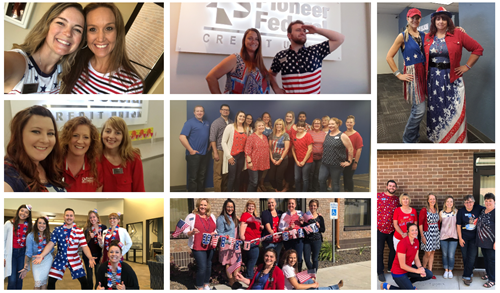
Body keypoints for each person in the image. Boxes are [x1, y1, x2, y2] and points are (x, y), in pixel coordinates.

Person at [424, 7, 483, 143]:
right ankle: (437, 138)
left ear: (448, 21)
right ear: (434, 21)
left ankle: (455, 141)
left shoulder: (458, 34)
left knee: (453, 110)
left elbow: (477, 49)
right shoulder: (427, 37)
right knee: (436, 109)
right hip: (433, 80)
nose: (441, 22)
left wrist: (467, 66)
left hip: (452, 79)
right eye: (438, 19)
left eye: (444, 18)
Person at [62, 3, 143, 94]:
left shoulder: (132, 84)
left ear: (118, 32)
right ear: (85, 34)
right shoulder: (74, 63)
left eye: (108, 28)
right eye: (92, 29)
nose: (101, 38)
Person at [4, 3, 85, 94]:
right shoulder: (19, 62)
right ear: (46, 25)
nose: (68, 33)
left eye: (77, 29)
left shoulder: (62, 71)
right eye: (61, 23)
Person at [269, 21, 344, 94]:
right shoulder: (281, 56)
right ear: (289, 35)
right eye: (298, 30)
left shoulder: (315, 51)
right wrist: (276, 88)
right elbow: (271, 74)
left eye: (304, 31)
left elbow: (340, 39)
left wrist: (316, 30)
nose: (302, 33)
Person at [385, 8, 426, 143]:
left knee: (417, 109)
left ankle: (415, 138)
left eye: (417, 18)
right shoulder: (402, 36)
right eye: (412, 17)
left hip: (425, 74)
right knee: (419, 110)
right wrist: (398, 74)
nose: (415, 20)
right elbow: (389, 57)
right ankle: (408, 139)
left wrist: (458, 29)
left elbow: (442, 34)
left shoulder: (424, 35)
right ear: (407, 19)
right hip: (412, 75)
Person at [4, 106, 66, 192]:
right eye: (36, 131)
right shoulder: (8, 174)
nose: (45, 140)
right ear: (19, 135)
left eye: (50, 133)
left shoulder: (49, 167)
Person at [33, 208, 95, 289]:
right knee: (51, 281)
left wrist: (90, 257)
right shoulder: (57, 230)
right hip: (60, 258)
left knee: (84, 281)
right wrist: (41, 255)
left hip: (74, 259)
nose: (69, 217)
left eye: (71, 215)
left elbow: (84, 246)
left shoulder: (79, 231)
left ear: (74, 217)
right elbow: (50, 244)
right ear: (64, 216)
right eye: (67, 215)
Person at [206, 28, 269, 94]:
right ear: (244, 40)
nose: (253, 42)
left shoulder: (259, 63)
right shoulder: (235, 59)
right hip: (236, 104)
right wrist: (220, 101)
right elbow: (210, 77)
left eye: (256, 39)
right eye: (250, 38)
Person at [381, 223, 433, 290]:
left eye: (416, 230)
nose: (415, 232)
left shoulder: (416, 241)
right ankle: (387, 286)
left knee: (429, 274)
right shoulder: (402, 244)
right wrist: (417, 271)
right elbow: (402, 265)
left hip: (408, 269)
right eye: (412, 230)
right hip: (398, 272)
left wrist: (420, 269)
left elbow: (416, 258)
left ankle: (408, 283)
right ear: (407, 232)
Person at [101, 116, 145, 192]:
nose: (111, 136)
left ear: (123, 136)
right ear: (102, 133)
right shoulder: (95, 158)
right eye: (108, 131)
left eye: (117, 133)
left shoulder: (133, 158)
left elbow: (139, 190)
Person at [60, 116, 103, 192]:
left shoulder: (95, 166)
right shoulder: (54, 164)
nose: (80, 141)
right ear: (67, 137)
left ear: (91, 142)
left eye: (86, 137)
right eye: (75, 135)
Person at [182, 199, 217, 290]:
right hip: (198, 246)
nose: (203, 207)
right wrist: (192, 232)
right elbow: (185, 231)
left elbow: (215, 229)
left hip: (210, 245)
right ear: (198, 206)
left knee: (208, 266)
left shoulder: (212, 216)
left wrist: (214, 233)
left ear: (208, 206)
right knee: (202, 267)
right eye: (201, 205)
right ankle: (200, 287)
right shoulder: (191, 216)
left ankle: (206, 285)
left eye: (205, 205)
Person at [180, 105, 210, 192]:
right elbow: (182, 137)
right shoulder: (189, 123)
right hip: (194, 155)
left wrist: (209, 147)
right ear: (194, 113)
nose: (199, 113)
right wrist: (191, 150)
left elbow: (208, 137)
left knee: (202, 176)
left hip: (204, 154)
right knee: (193, 178)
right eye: (197, 111)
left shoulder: (207, 123)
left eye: (201, 111)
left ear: (203, 113)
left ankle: (200, 195)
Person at [319, 118, 353, 192]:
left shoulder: (343, 136)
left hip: (336, 164)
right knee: (321, 180)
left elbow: (350, 149)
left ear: (337, 125)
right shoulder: (327, 135)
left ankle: (335, 199)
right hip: (325, 163)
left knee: (335, 183)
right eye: (329, 124)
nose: (330, 126)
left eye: (332, 124)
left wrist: (349, 161)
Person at [456, 194, 484, 286]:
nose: (469, 204)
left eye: (470, 202)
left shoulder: (478, 208)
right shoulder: (461, 211)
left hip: (474, 238)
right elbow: (458, 225)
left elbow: (489, 209)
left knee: (472, 256)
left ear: (474, 202)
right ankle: (470, 271)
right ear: (464, 203)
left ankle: (467, 276)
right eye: (467, 202)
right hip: (464, 237)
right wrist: (460, 238)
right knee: (465, 256)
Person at [4, 204, 33, 289]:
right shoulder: (9, 223)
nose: (23, 213)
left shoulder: (29, 226)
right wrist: (3, 256)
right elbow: (2, 239)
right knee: (12, 279)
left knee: (20, 278)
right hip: (11, 253)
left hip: (22, 253)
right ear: (18, 211)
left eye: (26, 212)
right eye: (22, 210)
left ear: (28, 215)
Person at [377, 180, 400, 282]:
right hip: (380, 229)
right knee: (379, 252)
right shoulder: (378, 196)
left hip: (392, 230)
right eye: (390, 186)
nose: (392, 188)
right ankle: (380, 272)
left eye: (394, 186)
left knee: (394, 249)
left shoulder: (397, 200)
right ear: (386, 187)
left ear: (395, 188)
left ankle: (390, 267)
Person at [22, 216, 53, 289]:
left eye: (44, 223)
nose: (42, 225)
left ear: (46, 225)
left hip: (47, 260)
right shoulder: (30, 236)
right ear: (36, 224)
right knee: (37, 282)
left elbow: (51, 250)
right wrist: (25, 267)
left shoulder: (49, 235)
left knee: (44, 282)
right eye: (40, 223)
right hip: (36, 260)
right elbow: (28, 252)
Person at [216, 199, 241, 289]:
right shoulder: (221, 218)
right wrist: (225, 236)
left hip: (236, 243)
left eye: (232, 207)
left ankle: (236, 280)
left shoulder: (234, 218)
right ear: (225, 207)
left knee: (237, 261)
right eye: (228, 207)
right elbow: (219, 233)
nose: (230, 208)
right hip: (227, 244)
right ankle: (231, 281)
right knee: (229, 263)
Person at [221, 111, 247, 192]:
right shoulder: (230, 127)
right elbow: (223, 142)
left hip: (241, 156)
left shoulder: (246, 129)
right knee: (232, 177)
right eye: (240, 116)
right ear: (237, 117)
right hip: (232, 156)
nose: (242, 118)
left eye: (243, 116)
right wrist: (229, 156)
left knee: (238, 176)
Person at [210, 104, 233, 192]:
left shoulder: (231, 123)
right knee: (218, 174)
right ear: (220, 111)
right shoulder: (216, 123)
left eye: (227, 110)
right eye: (223, 109)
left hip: (228, 151)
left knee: (226, 173)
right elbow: (212, 138)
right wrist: (215, 152)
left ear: (229, 112)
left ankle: (224, 191)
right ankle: (218, 192)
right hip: (219, 150)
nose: (225, 111)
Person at [82, 209, 107, 289]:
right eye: (90, 217)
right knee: (89, 277)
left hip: (98, 255)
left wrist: (103, 256)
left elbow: (105, 243)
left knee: (98, 275)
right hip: (88, 256)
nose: (92, 219)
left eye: (94, 217)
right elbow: (83, 243)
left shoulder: (103, 228)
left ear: (97, 218)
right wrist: (89, 237)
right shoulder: (86, 229)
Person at [240, 200, 263, 279]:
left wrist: (261, 227)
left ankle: (249, 277)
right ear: (247, 207)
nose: (251, 208)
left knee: (252, 260)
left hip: (256, 241)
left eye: (252, 206)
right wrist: (242, 236)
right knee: (252, 260)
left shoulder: (255, 217)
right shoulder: (246, 215)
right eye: (249, 206)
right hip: (250, 241)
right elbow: (243, 225)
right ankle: (249, 278)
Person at [245, 119, 270, 192]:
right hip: (254, 163)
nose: (261, 127)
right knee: (253, 182)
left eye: (262, 125)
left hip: (262, 163)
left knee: (258, 181)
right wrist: (249, 162)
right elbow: (247, 151)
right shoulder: (251, 137)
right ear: (256, 127)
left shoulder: (265, 137)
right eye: (259, 126)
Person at [279, 199, 304, 271]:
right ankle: (290, 272)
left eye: (292, 203)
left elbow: (306, 222)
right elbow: (280, 228)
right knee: (289, 257)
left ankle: (298, 272)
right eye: (289, 204)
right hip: (288, 239)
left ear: (295, 205)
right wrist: (288, 228)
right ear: (287, 205)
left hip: (298, 238)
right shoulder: (284, 215)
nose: (291, 205)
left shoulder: (300, 213)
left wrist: (302, 222)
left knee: (298, 257)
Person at [419, 193, 440, 278]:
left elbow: (438, 222)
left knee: (432, 252)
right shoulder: (424, 210)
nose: (432, 200)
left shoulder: (436, 209)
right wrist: (422, 236)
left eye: (433, 199)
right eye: (430, 199)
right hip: (427, 233)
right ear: (428, 200)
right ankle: (423, 270)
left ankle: (430, 272)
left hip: (435, 233)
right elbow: (420, 224)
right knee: (427, 253)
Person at [477, 193, 495, 288]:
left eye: (490, 201)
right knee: (487, 260)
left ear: (494, 202)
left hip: (492, 242)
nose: (488, 203)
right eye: (486, 201)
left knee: (492, 260)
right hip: (483, 241)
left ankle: (493, 279)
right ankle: (488, 274)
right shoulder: (483, 211)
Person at [303, 200, 326, 274]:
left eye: (314, 206)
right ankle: (312, 272)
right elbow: (302, 228)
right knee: (307, 259)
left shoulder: (320, 217)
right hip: (307, 241)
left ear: (317, 207)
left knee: (315, 259)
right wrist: (302, 223)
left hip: (317, 240)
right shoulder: (305, 216)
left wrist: (319, 226)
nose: (313, 207)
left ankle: (314, 274)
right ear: (309, 206)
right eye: (311, 205)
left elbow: (323, 230)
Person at [268, 119, 290, 192]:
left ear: (282, 126)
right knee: (271, 177)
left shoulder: (285, 135)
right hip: (273, 159)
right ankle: (276, 189)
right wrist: (271, 158)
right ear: (275, 125)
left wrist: (280, 160)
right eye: (277, 124)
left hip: (283, 160)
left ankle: (280, 191)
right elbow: (270, 148)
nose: (278, 126)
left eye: (280, 124)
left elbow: (286, 149)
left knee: (278, 178)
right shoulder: (272, 135)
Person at [439, 195, 458, 279]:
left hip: (454, 236)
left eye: (451, 201)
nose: (449, 203)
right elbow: (439, 224)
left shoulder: (456, 212)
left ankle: (450, 271)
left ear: (453, 203)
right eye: (448, 201)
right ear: (445, 203)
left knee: (451, 255)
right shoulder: (441, 212)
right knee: (444, 254)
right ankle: (446, 270)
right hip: (443, 237)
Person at [291, 121, 313, 192]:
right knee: (296, 178)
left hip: (307, 161)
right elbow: (293, 149)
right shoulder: (294, 135)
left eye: (302, 126)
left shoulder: (308, 135)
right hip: (297, 161)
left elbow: (310, 149)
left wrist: (303, 161)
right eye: (299, 126)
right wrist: (296, 161)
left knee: (305, 179)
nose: (300, 127)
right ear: (296, 127)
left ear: (304, 127)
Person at [343, 115, 363, 192]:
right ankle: (346, 191)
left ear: (354, 123)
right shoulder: (343, 134)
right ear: (345, 123)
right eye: (348, 122)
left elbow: (359, 149)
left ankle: (350, 192)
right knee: (345, 177)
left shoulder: (357, 135)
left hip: (352, 160)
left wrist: (355, 162)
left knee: (349, 178)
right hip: (344, 160)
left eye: (351, 122)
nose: (349, 124)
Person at [308, 119, 327, 192]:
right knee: (311, 173)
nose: (316, 125)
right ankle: (310, 188)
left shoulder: (323, 134)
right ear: (313, 124)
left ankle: (315, 188)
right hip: (311, 157)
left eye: (318, 123)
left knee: (317, 174)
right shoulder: (309, 133)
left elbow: (325, 145)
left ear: (320, 125)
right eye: (315, 123)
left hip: (320, 158)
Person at [284, 111, 297, 192]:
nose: (288, 118)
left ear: (293, 118)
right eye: (287, 116)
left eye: (290, 116)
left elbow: (294, 140)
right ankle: (284, 183)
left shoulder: (294, 127)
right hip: (283, 151)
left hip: (290, 151)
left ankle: (287, 186)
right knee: (284, 169)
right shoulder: (284, 126)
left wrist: (291, 151)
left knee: (290, 169)